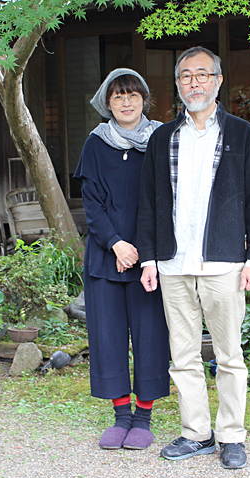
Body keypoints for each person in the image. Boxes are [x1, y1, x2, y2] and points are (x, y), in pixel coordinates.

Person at [136, 47, 250, 469]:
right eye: (186, 76)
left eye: (202, 75)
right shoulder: (162, 139)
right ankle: (197, 433)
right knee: (184, 357)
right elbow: (150, 204)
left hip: (224, 263)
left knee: (229, 356)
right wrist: (149, 260)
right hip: (173, 266)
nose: (195, 83)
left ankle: (232, 435)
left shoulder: (243, 135)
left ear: (218, 81)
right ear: (178, 85)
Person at [73, 68, 170, 451]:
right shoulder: (96, 144)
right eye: (118, 96)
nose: (126, 102)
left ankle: (143, 416)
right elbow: (91, 204)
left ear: (144, 99)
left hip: (150, 259)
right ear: (107, 103)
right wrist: (116, 244)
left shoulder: (161, 139)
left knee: (151, 336)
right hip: (105, 257)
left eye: (132, 95)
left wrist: (143, 251)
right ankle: (120, 415)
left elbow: (168, 199)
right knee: (108, 338)